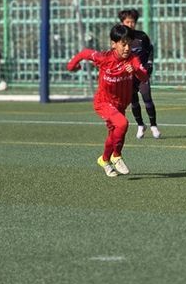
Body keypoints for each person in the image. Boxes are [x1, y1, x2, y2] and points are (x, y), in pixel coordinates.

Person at [67, 24, 148, 177]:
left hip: (120, 104)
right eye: (123, 44)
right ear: (113, 44)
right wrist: (72, 66)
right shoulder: (104, 58)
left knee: (115, 134)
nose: (127, 48)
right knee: (122, 124)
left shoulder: (133, 59)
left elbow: (144, 77)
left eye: (129, 44)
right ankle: (116, 156)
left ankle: (104, 160)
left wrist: (136, 70)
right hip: (103, 102)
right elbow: (84, 53)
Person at [118, 9, 160, 139]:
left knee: (147, 98)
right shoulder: (119, 38)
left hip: (141, 73)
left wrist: (149, 64)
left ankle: (153, 125)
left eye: (132, 22)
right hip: (128, 75)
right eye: (127, 22)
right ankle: (140, 125)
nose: (130, 24)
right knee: (134, 101)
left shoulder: (142, 36)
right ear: (122, 22)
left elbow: (150, 50)